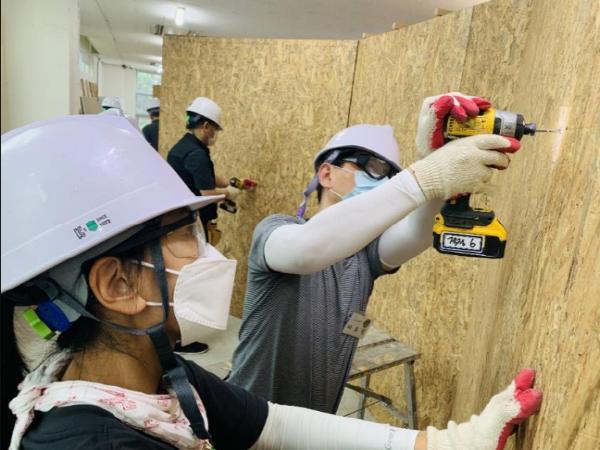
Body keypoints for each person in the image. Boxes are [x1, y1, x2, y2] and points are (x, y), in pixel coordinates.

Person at [1, 114, 542, 450]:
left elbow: (276, 426)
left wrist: (450, 442)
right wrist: (424, 177)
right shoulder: (95, 442)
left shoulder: (160, 376)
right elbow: (308, 248)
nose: (211, 255)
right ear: (116, 285)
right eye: (186, 236)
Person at [229, 93, 523, 413]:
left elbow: (418, 232)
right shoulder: (275, 231)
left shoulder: (365, 257)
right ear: (326, 174)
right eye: (371, 166)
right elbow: (306, 250)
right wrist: (424, 176)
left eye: (390, 175)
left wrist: (443, 174)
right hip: (242, 422)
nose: (381, 180)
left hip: (311, 428)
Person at [167, 97, 256, 243]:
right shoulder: (196, 154)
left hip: (179, 218)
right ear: (206, 126)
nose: (215, 135)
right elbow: (207, 193)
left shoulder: (183, 146)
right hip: (193, 223)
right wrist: (229, 193)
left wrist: (233, 182)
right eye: (215, 129)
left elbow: (203, 176)